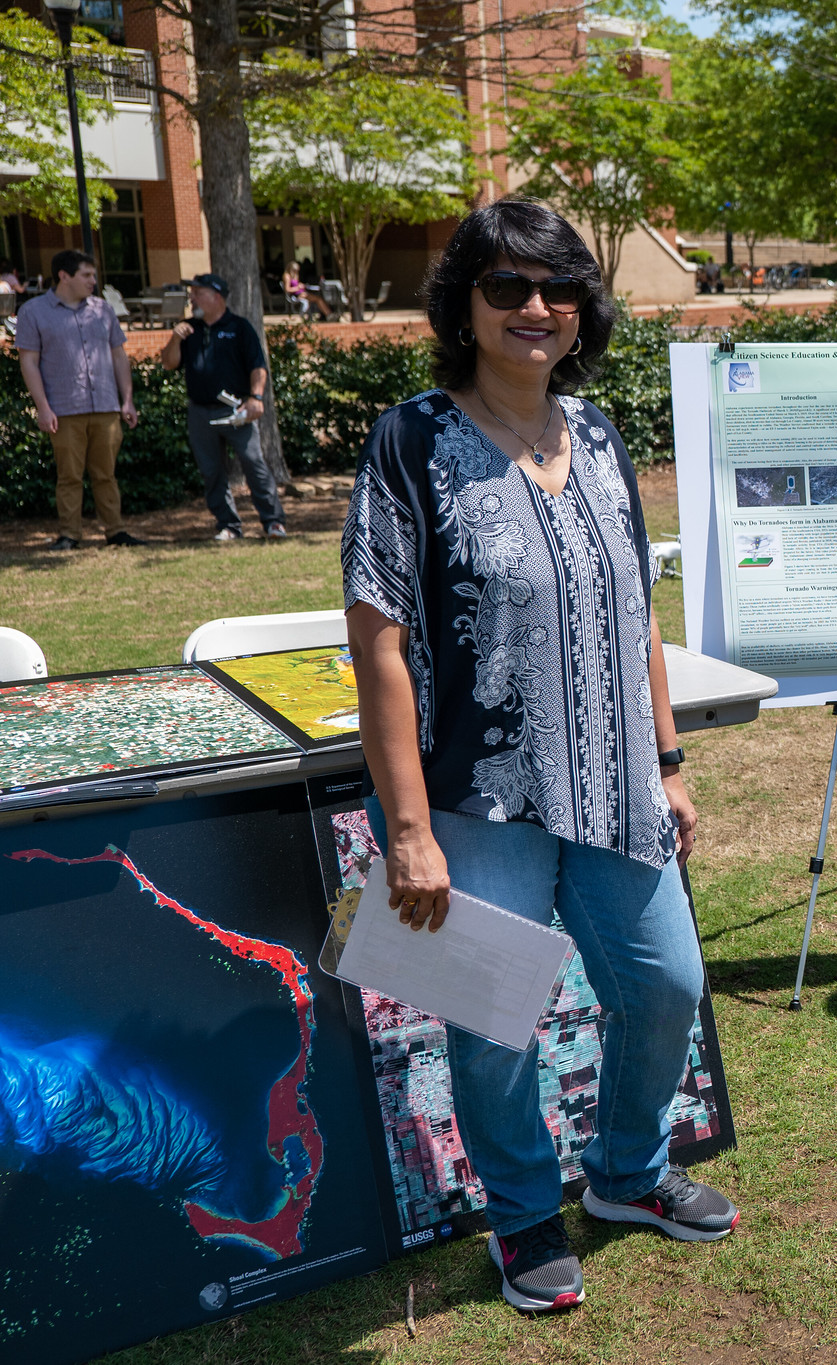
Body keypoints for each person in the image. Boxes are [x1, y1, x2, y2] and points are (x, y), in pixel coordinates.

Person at [342, 199, 736, 1315]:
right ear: (463, 305)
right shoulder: (410, 440)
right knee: (494, 1021)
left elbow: (633, 613)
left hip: (616, 784)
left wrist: (665, 762)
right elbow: (378, 636)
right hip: (475, 800)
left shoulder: (601, 433)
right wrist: (409, 830)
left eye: (558, 288)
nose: (536, 308)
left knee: (666, 987)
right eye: (507, 287)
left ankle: (625, 1174)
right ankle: (520, 1219)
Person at [15, 249, 143, 550]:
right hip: (64, 408)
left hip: (106, 406)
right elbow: (29, 363)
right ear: (64, 276)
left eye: (93, 275)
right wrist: (43, 408)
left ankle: (116, 532)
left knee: (106, 475)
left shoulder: (102, 309)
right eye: (86, 275)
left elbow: (118, 354)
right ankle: (69, 535)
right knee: (69, 476)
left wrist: (127, 399)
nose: (93, 281)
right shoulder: (33, 312)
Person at [161, 272, 288, 541]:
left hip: (235, 410)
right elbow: (169, 363)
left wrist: (255, 398)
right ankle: (228, 525)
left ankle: (273, 522)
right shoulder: (188, 329)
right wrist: (175, 339)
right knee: (211, 470)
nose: (192, 298)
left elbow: (258, 366)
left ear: (216, 296)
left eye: (198, 293)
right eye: (192, 293)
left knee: (253, 463)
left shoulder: (239, 327)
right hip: (200, 411)